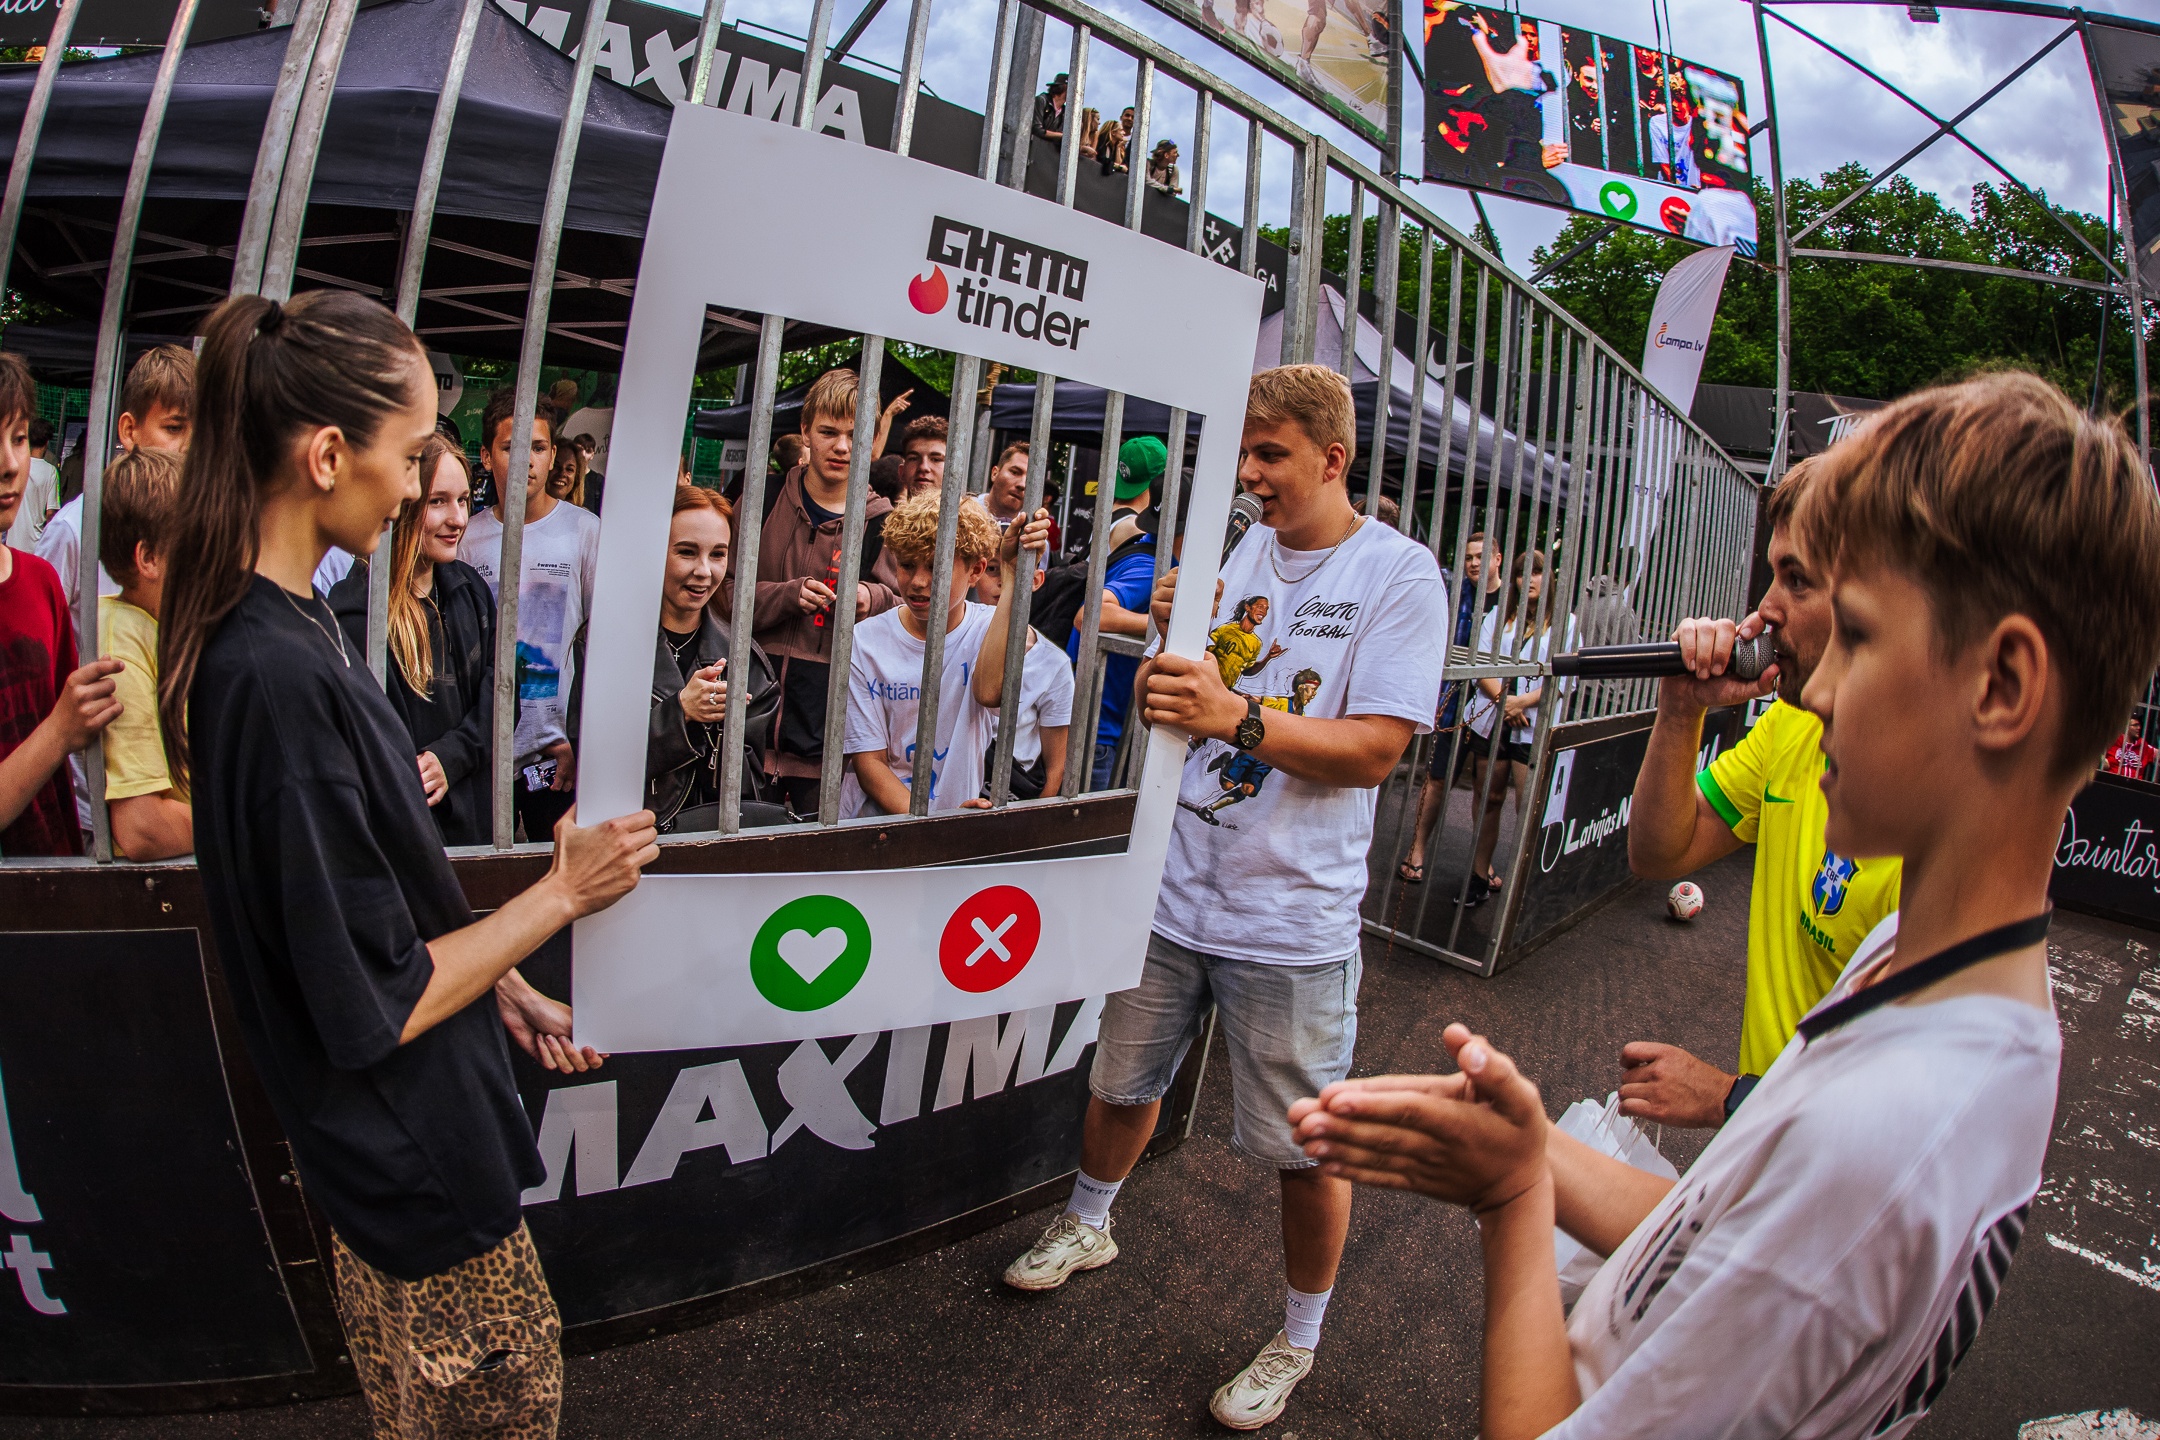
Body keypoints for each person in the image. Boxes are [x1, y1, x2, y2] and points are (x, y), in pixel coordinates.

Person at [1290, 369, 2160, 1440]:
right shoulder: (1936, 967)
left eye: (1859, 636)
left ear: (2004, 686)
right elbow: (1724, 1237)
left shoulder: (1879, 1134)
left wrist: (1512, 1200)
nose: (1816, 687)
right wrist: (1533, 1150)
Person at [158, 290, 658, 1437]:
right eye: (412, 449)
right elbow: (373, 1004)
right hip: (412, 1174)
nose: (423, 484)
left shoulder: (296, 628)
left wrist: (508, 984)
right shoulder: (275, 675)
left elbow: (376, 899)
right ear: (329, 456)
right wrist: (561, 893)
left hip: (409, 1152)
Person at [1004, 365, 1447, 1433]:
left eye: (1269, 454)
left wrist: (1232, 715)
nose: (1247, 475)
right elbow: (1171, 692)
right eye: (1242, 453)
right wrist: (1164, 626)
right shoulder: (1230, 550)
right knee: (1121, 1083)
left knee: (1305, 1150)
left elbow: (1376, 752)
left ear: (1332, 459)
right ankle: (1090, 1222)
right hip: (1174, 891)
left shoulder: (1400, 573)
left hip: (1290, 920)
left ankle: (1299, 1338)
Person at [1622, 458, 1901, 1128]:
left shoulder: (1938, 817)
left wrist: (1730, 1095)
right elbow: (1659, 852)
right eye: (1773, 574)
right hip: (1767, 1148)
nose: (1766, 607)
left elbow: (1894, 1114)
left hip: (1818, 1171)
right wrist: (1681, 711)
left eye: (1797, 580)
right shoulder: (1791, 724)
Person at [727, 367, 903, 817]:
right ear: (805, 431)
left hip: (829, 740)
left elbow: (910, 610)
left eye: (854, 435)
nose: (842, 446)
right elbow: (717, 593)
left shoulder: (884, 522)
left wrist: (870, 598)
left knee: (812, 852)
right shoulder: (762, 498)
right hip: (742, 725)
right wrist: (785, 596)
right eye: (828, 432)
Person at [328, 436, 497, 847]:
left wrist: (452, 755)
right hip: (408, 841)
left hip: (478, 833)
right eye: (438, 501)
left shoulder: (470, 591)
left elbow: (503, 691)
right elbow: (375, 750)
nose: (458, 518)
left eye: (463, 500)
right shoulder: (360, 614)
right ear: (401, 503)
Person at [839, 491, 1049, 817]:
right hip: (876, 823)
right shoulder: (865, 640)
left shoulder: (990, 627)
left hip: (956, 822)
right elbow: (870, 763)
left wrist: (1012, 576)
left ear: (976, 571)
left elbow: (990, 694)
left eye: (936, 567)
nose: (918, 581)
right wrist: (929, 823)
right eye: (907, 565)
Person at [458, 387, 600, 842]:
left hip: (555, 758)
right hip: (483, 752)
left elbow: (603, 644)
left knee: (557, 871)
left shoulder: (584, 531)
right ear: (486, 456)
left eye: (538, 447)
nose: (527, 460)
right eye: (510, 447)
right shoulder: (466, 539)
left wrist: (580, 740)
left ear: (553, 454)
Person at [0, 352, 121, 857]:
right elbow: (64, 727)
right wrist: (59, 732)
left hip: (55, 872)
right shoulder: (70, 535)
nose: (9, 465)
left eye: (18, 438)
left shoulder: (41, 582)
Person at [645, 484, 779, 832]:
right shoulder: (606, 643)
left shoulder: (744, 660)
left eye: (718, 554)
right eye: (687, 552)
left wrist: (726, 729)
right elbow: (593, 760)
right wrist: (680, 712)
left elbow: (747, 789)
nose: (704, 570)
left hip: (707, 842)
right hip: (629, 838)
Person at [39, 342, 193, 608]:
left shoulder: (204, 524)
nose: (191, 446)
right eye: (174, 428)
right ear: (129, 430)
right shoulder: (75, 529)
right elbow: (38, 628)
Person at [95, 447, 192, 861]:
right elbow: (141, 827)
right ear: (149, 558)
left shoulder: (167, 625)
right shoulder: (120, 643)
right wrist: (252, 829)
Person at [1460, 550, 1571, 906]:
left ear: (1548, 578)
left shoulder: (1565, 623)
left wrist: (1521, 703)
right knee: (1488, 799)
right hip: (1494, 720)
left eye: (1536, 573)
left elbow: (1564, 679)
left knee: (1528, 807)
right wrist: (1505, 702)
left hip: (1532, 723)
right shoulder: (1498, 615)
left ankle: (1526, 888)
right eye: (1523, 574)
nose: (1529, 580)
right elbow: (1479, 663)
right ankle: (1479, 876)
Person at [1398, 530, 1501, 884]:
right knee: (1438, 778)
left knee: (1489, 792)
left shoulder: (1511, 600)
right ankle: (1416, 848)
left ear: (1497, 559)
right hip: (1453, 700)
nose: (1473, 563)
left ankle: (1482, 865)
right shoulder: (1455, 594)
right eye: (1468, 557)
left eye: (1480, 556)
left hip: (1493, 708)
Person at [4, 417, 56, 551]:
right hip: (36, 544)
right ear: (47, 442)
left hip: (12, 541)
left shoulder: (16, 466)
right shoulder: (51, 471)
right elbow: (50, 513)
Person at [896, 415, 948, 501]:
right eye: (913, 459)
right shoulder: (883, 509)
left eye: (936, 459)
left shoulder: (968, 510)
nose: (923, 467)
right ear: (901, 472)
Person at [2102, 713, 2155, 779]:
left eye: (2139, 725)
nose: (2139, 728)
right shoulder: (2113, 740)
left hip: (2134, 784)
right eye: (2135, 725)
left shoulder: (2143, 745)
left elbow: (2157, 754)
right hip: (2112, 781)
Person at [1032, 72, 1068, 141]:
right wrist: (1064, 136)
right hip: (1032, 145)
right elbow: (1037, 129)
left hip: (1047, 147)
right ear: (1062, 88)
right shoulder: (1042, 101)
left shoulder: (1065, 112)